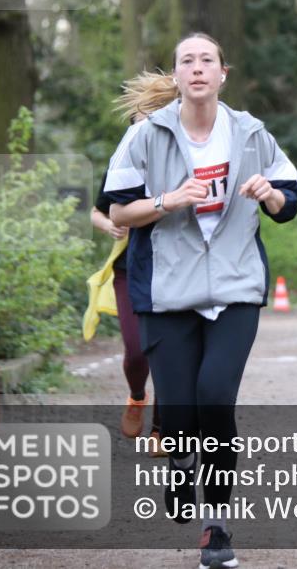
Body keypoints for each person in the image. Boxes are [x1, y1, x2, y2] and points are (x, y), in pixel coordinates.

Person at [105, 32, 297, 568]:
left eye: (207, 60)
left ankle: (217, 528)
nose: (197, 68)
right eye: (187, 61)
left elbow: (290, 201)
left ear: (222, 74)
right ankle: (179, 467)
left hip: (235, 288)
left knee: (216, 398)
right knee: (183, 414)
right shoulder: (146, 136)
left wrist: (270, 193)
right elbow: (118, 212)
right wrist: (167, 200)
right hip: (168, 292)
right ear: (176, 76)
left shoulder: (251, 133)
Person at [89, 165, 166, 457]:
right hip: (129, 269)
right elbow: (97, 211)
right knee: (136, 351)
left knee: (167, 353)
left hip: (174, 269)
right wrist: (109, 225)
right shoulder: (125, 164)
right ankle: (136, 397)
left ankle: (161, 429)